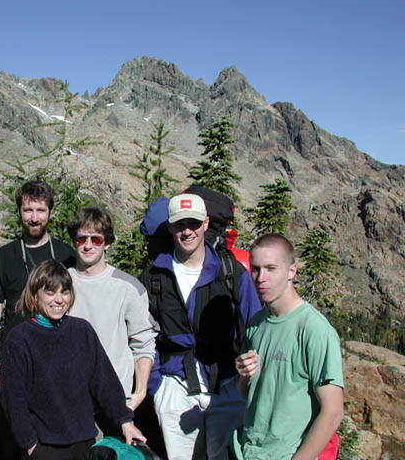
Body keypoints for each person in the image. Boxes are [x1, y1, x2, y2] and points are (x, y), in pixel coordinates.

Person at [139, 193, 262, 460]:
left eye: (193, 223)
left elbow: (255, 326)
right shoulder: (154, 276)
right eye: (180, 224)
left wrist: (247, 380)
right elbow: (144, 335)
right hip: (176, 386)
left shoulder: (230, 271)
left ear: (206, 223)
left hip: (228, 384)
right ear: (170, 227)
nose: (187, 231)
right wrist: (158, 387)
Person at [0, 259, 146, 460]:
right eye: (50, 292)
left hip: (84, 441)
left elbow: (104, 381)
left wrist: (125, 421)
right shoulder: (19, 339)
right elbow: (14, 401)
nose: (59, 299)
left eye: (64, 292)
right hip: (43, 446)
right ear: (35, 295)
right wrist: (31, 446)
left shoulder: (82, 330)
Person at [0, 180, 75, 459]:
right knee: (13, 439)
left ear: (50, 213)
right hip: (15, 362)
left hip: (59, 361)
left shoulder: (66, 256)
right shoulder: (4, 256)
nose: (34, 217)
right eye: (28, 210)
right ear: (19, 212)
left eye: (40, 210)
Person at [233, 233, 344, 460]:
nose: (261, 278)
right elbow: (245, 393)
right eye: (255, 269)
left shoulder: (314, 330)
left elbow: (333, 412)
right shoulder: (257, 323)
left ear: (291, 271)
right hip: (248, 450)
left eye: (271, 268)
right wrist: (244, 375)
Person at [66, 207, 156, 435]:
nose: (88, 245)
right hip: (67, 401)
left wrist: (140, 392)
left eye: (96, 239)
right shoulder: (59, 283)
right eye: (81, 239)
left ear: (107, 243)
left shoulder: (128, 287)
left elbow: (143, 343)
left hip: (114, 405)